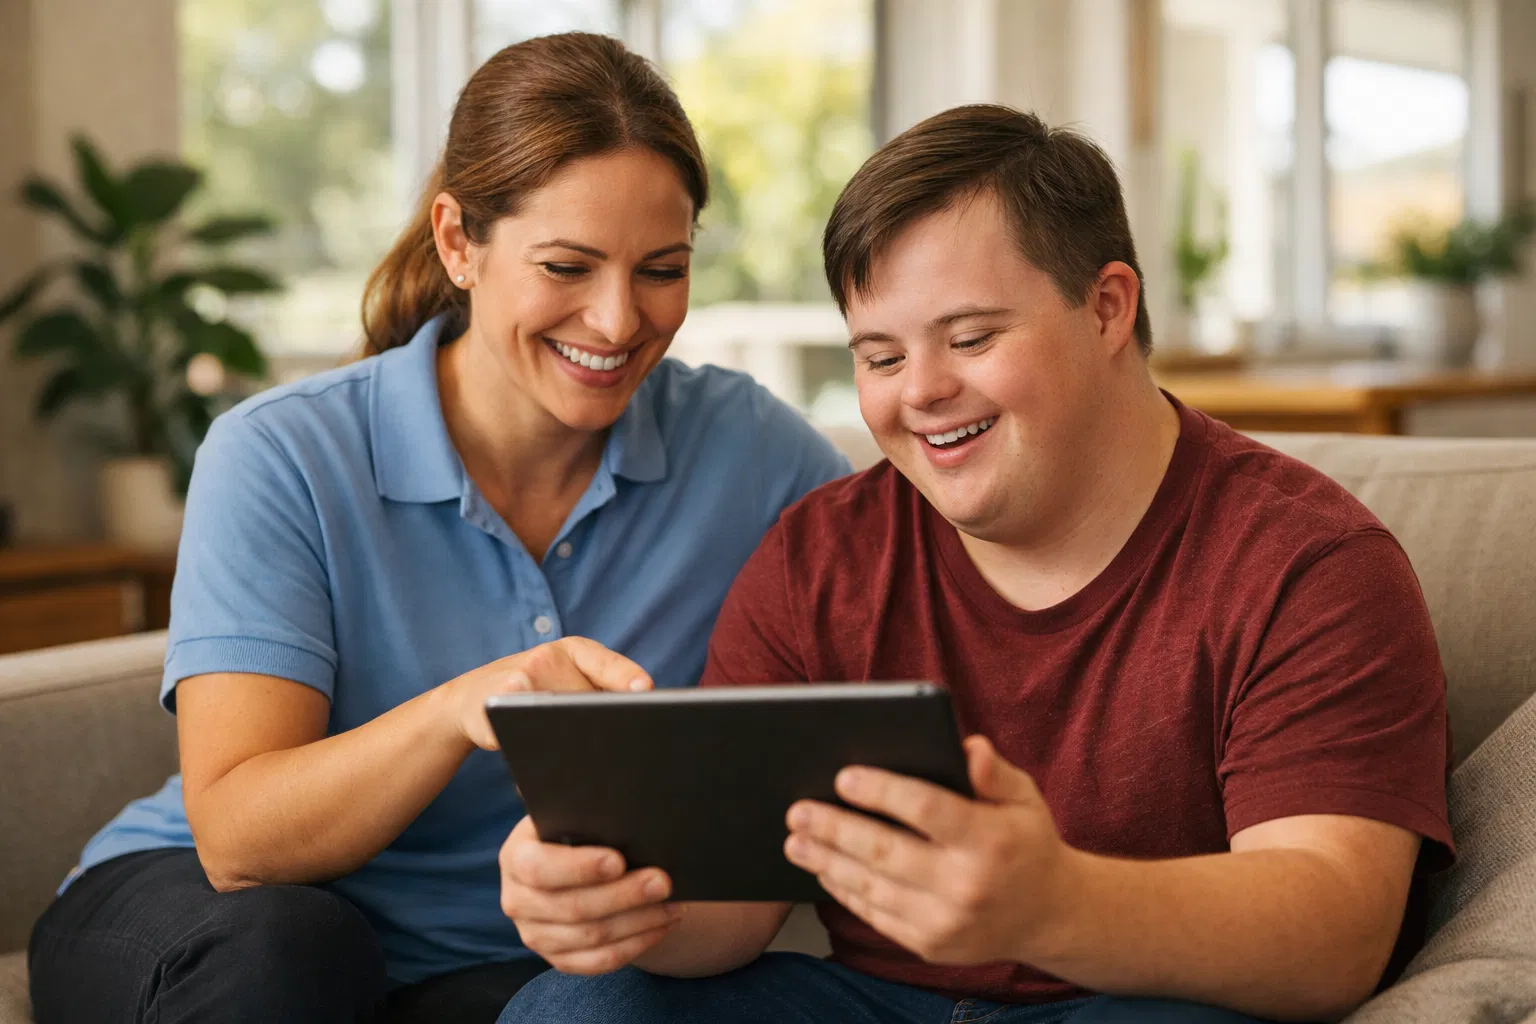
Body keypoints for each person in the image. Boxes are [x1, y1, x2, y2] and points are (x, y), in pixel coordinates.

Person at [497, 105, 1453, 1024]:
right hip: (871, 1002)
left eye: (971, 338)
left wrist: (1056, 906)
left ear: (1107, 306)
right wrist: (621, 897)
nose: (921, 393)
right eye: (879, 356)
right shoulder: (816, 556)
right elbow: (733, 912)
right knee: (578, 1004)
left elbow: (1335, 933)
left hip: (1145, 1002)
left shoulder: (1308, 563)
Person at [26, 32, 848, 1024]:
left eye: (662, 269)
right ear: (459, 241)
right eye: (567, 265)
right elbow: (238, 838)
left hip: (499, 957)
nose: (619, 319)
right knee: (294, 954)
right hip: (222, 915)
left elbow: (924, 581)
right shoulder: (283, 453)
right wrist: (468, 704)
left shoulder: (751, 450)